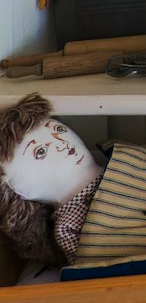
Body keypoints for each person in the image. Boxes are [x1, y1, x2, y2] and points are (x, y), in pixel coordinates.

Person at [0, 93, 103, 266]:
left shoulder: (113, 154)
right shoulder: (70, 227)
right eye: (41, 152)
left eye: (58, 130)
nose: (61, 143)